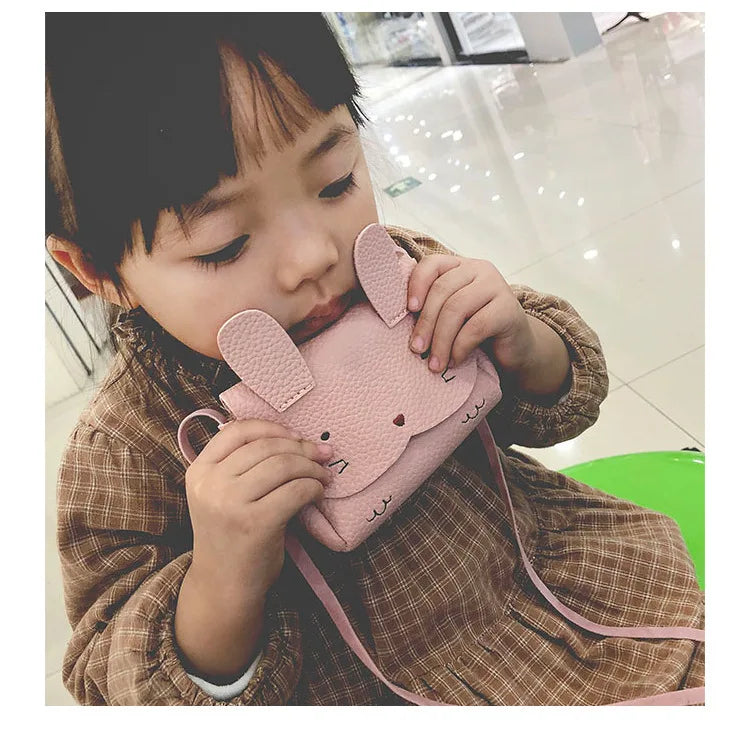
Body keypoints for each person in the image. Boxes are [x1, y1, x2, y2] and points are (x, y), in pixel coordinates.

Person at [47, 12, 704, 705]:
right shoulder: (124, 446)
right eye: (225, 245)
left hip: (543, 575)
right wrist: (222, 576)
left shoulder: (395, 271)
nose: (315, 256)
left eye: (335, 183)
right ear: (97, 271)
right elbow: (116, 681)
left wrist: (520, 340)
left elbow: (562, 402)